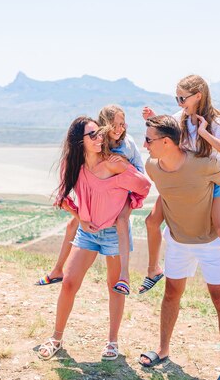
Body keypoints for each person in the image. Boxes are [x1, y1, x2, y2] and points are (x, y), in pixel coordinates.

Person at [141, 74, 220, 320]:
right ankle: (154, 269)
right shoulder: (179, 119)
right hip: (182, 184)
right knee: (151, 221)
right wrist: (152, 120)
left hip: (212, 182)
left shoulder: (217, 122)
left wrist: (205, 133)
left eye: (182, 98)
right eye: (176, 98)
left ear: (198, 96)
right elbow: (166, 137)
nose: (178, 103)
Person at [37, 116, 150, 361]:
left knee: (115, 287)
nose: (100, 138)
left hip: (113, 233)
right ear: (80, 140)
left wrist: (125, 212)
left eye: (100, 133)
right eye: (93, 135)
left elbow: (143, 186)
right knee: (68, 283)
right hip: (87, 232)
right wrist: (80, 216)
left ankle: (112, 342)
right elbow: (63, 197)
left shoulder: (114, 163)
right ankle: (56, 338)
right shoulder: (73, 164)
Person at [138, 115, 220, 380]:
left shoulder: (202, 163)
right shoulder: (153, 167)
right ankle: (162, 349)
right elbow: (167, 192)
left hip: (210, 243)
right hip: (177, 241)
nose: (145, 144)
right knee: (171, 294)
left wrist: (214, 206)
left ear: (166, 142)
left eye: (149, 140)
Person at [36, 105, 145, 295]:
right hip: (107, 193)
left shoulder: (125, 144)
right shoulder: (100, 142)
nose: (119, 129)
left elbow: (136, 174)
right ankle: (57, 269)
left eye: (122, 124)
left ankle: (125, 275)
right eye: (114, 125)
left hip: (126, 191)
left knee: (121, 221)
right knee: (75, 223)